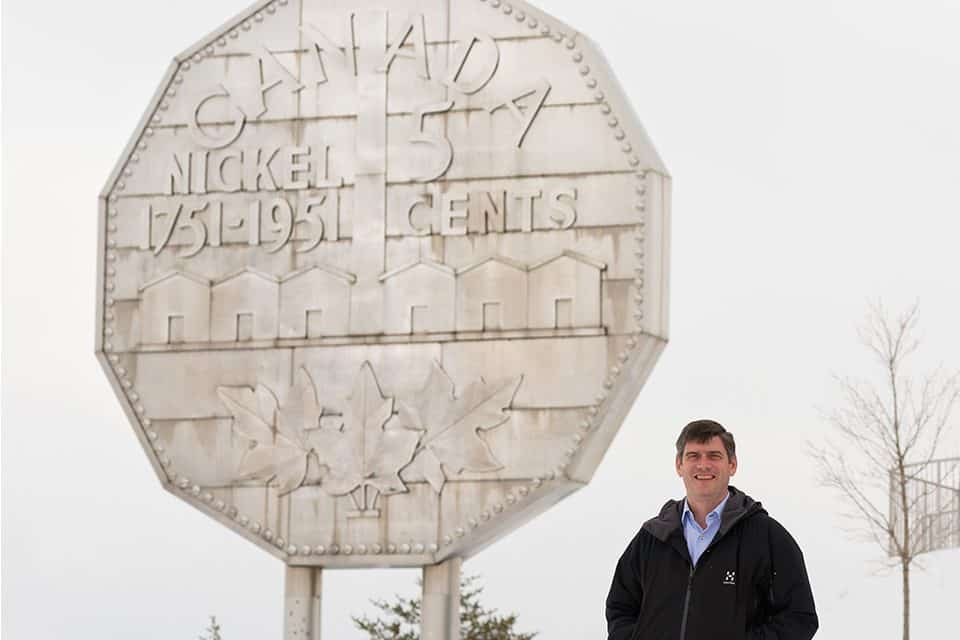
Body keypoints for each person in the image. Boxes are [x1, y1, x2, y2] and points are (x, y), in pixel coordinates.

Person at [605, 419, 818, 640]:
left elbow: (799, 618)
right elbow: (620, 608)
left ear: (732, 465)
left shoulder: (766, 537)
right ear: (679, 465)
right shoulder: (653, 537)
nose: (703, 465)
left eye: (714, 456)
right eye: (693, 456)